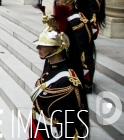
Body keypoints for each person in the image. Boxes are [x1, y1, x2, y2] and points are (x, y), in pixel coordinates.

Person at [29, 9, 90, 139]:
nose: (38, 48)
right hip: (39, 128)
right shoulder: (51, 69)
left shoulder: (67, 81)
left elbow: (68, 124)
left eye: (43, 45)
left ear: (58, 48)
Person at [54, 0, 95, 94]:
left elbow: (81, 45)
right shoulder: (63, 16)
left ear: (70, 0)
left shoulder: (78, 19)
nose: (57, 1)